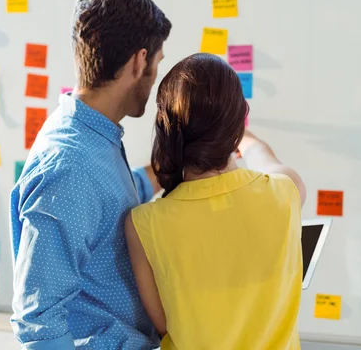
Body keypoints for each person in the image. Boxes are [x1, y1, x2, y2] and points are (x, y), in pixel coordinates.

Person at [10, 0, 171, 349]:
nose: (155, 78)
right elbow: (38, 323)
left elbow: (101, 207)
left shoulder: (90, 134)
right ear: (138, 61)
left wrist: (164, 174)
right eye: (157, 65)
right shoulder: (69, 166)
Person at [125, 53, 306, 350]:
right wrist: (245, 139)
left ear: (166, 129)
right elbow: (265, 158)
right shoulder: (286, 194)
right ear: (235, 126)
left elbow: (164, 323)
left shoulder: (142, 225)